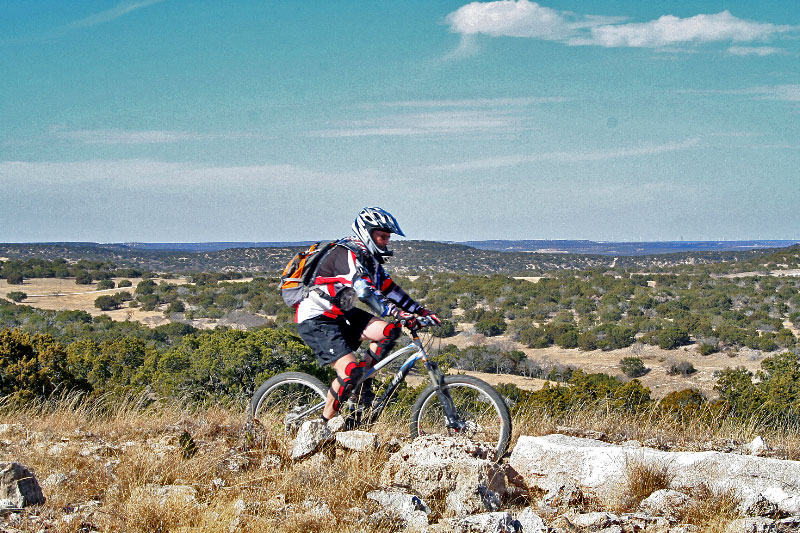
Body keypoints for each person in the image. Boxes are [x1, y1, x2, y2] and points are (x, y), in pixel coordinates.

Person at [292, 207, 440, 452]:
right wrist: (397, 313)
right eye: (382, 236)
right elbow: (365, 292)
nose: (386, 241)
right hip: (317, 318)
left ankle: (362, 385)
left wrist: (421, 311)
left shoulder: (368, 258)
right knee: (349, 370)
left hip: (342, 313)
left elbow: (390, 289)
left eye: (388, 237)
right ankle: (321, 429)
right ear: (367, 233)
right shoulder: (347, 254)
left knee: (388, 332)